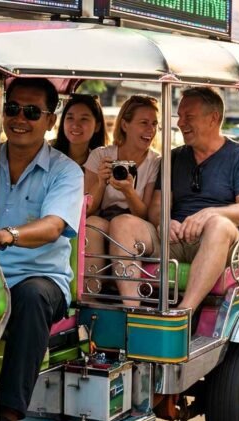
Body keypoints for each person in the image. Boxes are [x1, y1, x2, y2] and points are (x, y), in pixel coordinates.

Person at [0, 78, 83, 421]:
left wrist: (6, 235)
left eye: (32, 112)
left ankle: (7, 416)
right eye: (13, 109)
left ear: (49, 119)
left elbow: (53, 227)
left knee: (29, 297)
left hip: (40, 280)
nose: (20, 119)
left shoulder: (66, 172)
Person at [110, 87, 239, 312]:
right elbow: (157, 208)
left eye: (188, 117)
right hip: (176, 238)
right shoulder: (174, 157)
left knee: (218, 225)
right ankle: (133, 311)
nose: (181, 123)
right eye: (179, 116)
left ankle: (184, 312)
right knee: (122, 223)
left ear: (214, 118)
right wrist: (164, 222)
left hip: (222, 242)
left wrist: (210, 214)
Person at [82, 95, 161, 298]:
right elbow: (87, 208)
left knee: (122, 224)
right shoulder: (101, 155)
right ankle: (91, 300)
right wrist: (101, 182)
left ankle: (130, 305)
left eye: (154, 124)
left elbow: (145, 214)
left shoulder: (155, 161)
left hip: (136, 225)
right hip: (104, 218)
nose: (150, 130)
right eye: (143, 123)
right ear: (125, 125)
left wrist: (128, 191)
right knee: (91, 224)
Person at [53, 93, 108, 166]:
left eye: (84, 119)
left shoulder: (103, 164)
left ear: (97, 126)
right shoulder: (48, 157)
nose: (75, 125)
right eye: (70, 118)